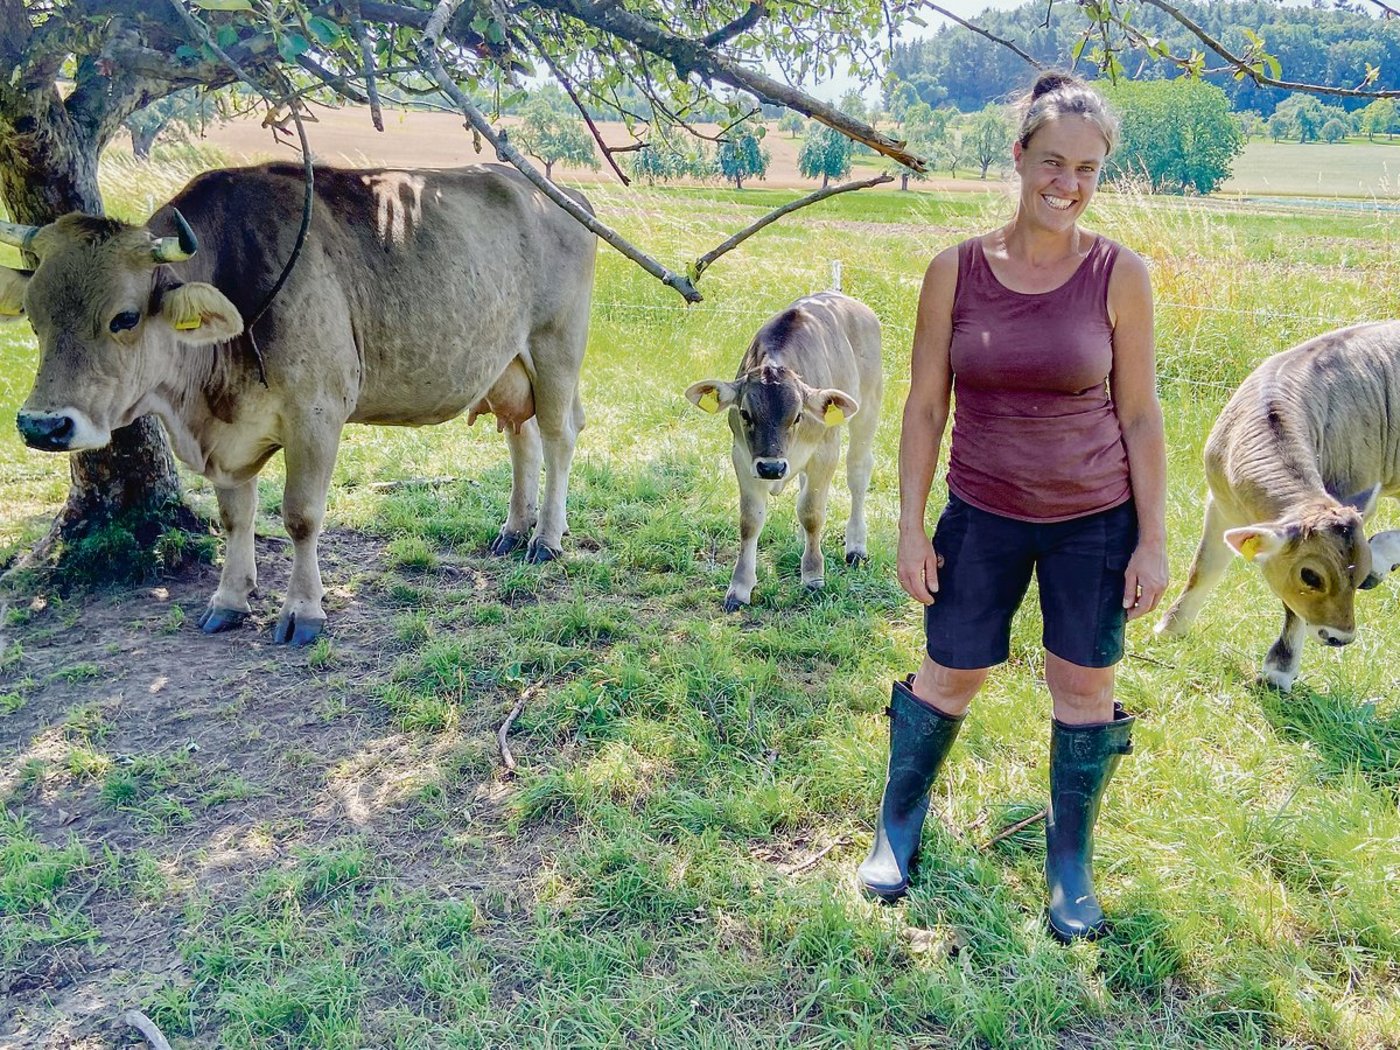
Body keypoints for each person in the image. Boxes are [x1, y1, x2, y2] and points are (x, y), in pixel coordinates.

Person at [857, 71, 1168, 942]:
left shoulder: (1119, 274)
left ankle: (1069, 865)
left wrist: (1152, 541)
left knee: (1084, 687)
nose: (1067, 185)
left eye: (1088, 169)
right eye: (1053, 163)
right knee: (949, 673)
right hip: (982, 511)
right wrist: (911, 525)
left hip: (1094, 520)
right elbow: (926, 407)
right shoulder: (955, 270)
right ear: (1019, 157)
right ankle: (898, 822)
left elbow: (1141, 416)